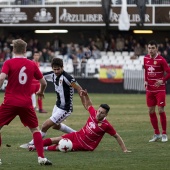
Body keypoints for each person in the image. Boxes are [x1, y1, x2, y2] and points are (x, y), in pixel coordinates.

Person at [28, 89, 131, 153]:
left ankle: (40, 149)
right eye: (99, 111)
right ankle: (36, 145)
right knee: (57, 139)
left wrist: (124, 149)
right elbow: (89, 105)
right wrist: (86, 95)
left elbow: (116, 136)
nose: (98, 114)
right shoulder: (93, 113)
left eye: (102, 113)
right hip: (77, 135)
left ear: (106, 115)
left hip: (85, 145)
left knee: (62, 146)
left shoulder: (106, 125)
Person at [0, 39, 52, 165]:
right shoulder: (32, 64)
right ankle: (41, 158)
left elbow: (1, 78)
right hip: (26, 103)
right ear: (25, 50)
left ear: (13, 50)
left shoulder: (8, 62)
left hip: (10, 102)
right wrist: (41, 91)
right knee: (35, 130)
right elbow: (44, 82)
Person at [26, 57, 83, 146]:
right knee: (55, 126)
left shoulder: (67, 78)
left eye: (58, 69)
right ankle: (78, 135)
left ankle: (33, 143)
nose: (56, 71)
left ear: (62, 67)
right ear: (52, 68)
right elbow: (39, 77)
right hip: (57, 106)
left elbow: (78, 87)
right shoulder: (52, 75)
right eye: (54, 69)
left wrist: (81, 92)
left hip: (65, 108)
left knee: (45, 125)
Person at [144, 40, 170, 143]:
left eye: (153, 48)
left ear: (157, 49)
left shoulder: (161, 60)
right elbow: (146, 71)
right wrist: (145, 80)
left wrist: (162, 80)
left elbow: (168, 73)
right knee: (150, 111)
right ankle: (156, 133)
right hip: (149, 89)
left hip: (160, 89)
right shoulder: (145, 58)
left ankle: (164, 133)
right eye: (149, 48)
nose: (150, 50)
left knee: (161, 110)